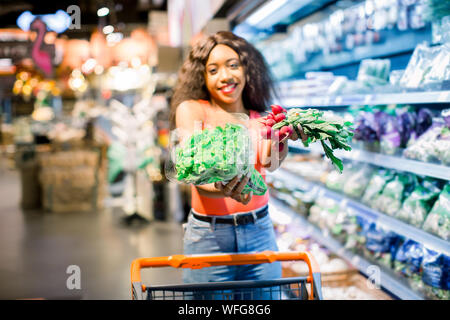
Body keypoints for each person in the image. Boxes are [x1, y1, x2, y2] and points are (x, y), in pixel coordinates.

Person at [170, 31, 306, 299]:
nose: (225, 76)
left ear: (247, 69)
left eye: (233, 65)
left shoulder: (261, 117)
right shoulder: (193, 110)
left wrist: (284, 138)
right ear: (203, 77)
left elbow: (269, 163)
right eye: (213, 69)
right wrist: (223, 185)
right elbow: (194, 171)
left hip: (259, 232)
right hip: (209, 236)